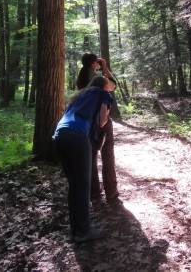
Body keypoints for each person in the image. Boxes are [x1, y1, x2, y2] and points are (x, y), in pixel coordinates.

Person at [52, 76, 113, 242]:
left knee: (74, 185)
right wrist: (107, 114)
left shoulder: (80, 95)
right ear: (105, 86)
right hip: (77, 137)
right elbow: (101, 121)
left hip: (59, 135)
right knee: (83, 185)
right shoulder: (103, 94)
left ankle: (76, 230)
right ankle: (84, 231)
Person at [76, 52, 120, 203]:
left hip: (87, 122)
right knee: (107, 155)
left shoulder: (81, 78)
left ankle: (94, 193)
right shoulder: (97, 78)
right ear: (95, 63)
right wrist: (105, 67)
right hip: (102, 120)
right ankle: (111, 193)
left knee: (92, 157)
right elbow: (113, 85)